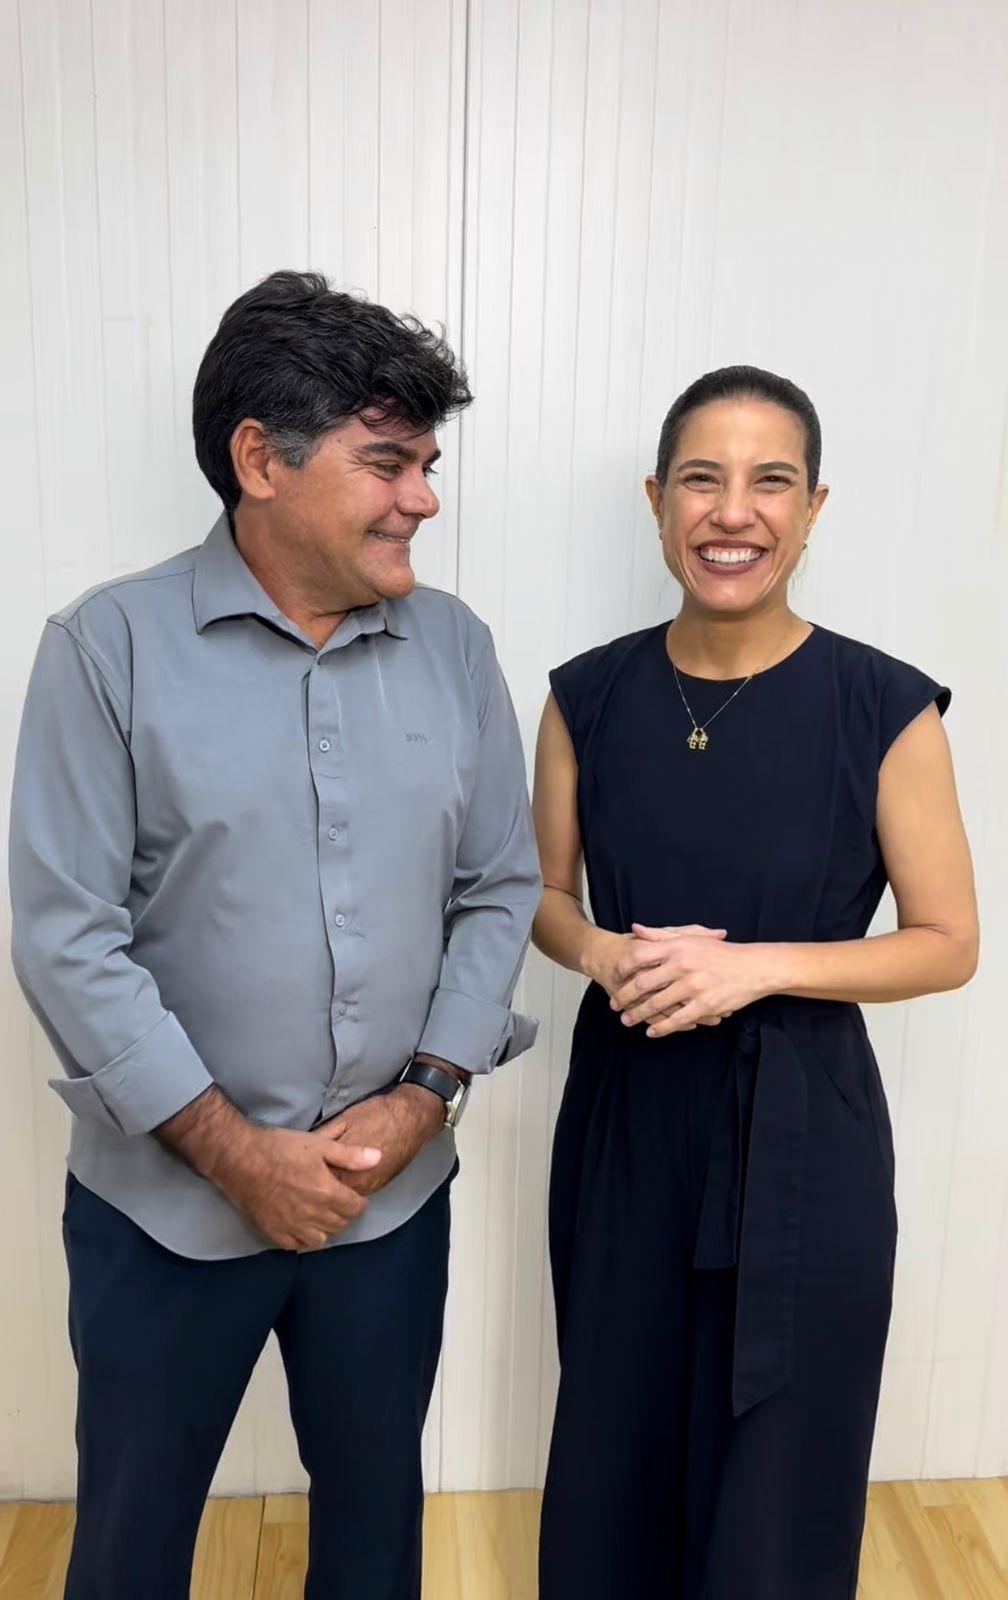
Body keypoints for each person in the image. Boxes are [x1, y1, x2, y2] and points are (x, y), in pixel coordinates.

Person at [9, 270, 541, 1600]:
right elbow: (67, 934)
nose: (422, 499)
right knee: (131, 1546)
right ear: (260, 460)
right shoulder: (105, 648)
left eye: (426, 465)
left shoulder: (456, 649)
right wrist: (236, 1152)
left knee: (374, 1534)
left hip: (389, 1200)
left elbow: (498, 888)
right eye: (387, 463)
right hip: (165, 1211)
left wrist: (423, 1097)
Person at [531, 365, 979, 1598]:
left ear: (814, 506)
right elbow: (543, 898)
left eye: (770, 481)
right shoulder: (586, 697)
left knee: (780, 1479)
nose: (734, 512)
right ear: (656, 500)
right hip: (626, 1123)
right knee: (618, 1449)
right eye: (702, 479)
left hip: (804, 1136)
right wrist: (604, 953)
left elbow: (949, 942)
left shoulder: (885, 707)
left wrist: (755, 967)